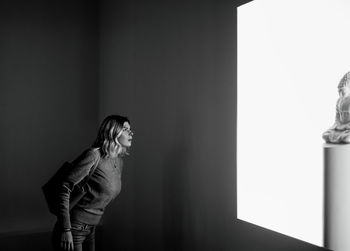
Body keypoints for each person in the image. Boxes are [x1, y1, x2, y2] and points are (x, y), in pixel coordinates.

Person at [51, 115, 133, 251]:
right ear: (113, 132)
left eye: (130, 129)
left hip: (91, 229)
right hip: (73, 228)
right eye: (125, 129)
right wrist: (66, 229)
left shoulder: (118, 161)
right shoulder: (93, 156)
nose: (131, 133)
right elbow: (64, 187)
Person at [323, 71, 350, 143]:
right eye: (339, 91)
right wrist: (338, 126)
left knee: (346, 138)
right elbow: (337, 118)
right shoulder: (339, 101)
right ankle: (340, 136)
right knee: (325, 135)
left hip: (348, 128)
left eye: (343, 91)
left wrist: (346, 127)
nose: (340, 93)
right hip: (339, 127)